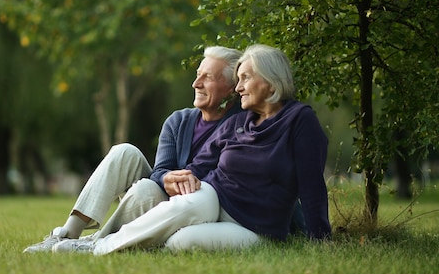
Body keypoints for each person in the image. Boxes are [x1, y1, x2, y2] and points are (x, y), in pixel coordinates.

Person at [52, 43, 331, 255]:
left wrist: (318, 238)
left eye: (245, 79)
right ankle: (92, 246)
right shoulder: (236, 121)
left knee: (179, 244)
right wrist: (180, 179)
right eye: (239, 79)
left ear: (270, 82)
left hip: (253, 225)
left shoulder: (299, 121)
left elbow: (311, 186)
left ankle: (111, 241)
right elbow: (199, 165)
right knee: (178, 192)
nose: (240, 87)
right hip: (210, 197)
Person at [22, 46, 243, 253]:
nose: (196, 83)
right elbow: (160, 170)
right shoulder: (179, 121)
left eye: (208, 77)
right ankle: (67, 234)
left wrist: (180, 182)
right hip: (160, 197)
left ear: (231, 89)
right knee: (124, 152)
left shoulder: (241, 125)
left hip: (193, 209)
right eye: (197, 74)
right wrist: (166, 178)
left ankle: (95, 243)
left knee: (145, 189)